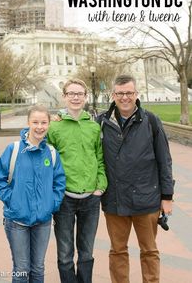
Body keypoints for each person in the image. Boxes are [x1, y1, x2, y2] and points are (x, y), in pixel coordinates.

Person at [97, 74, 174, 283]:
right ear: (113, 95)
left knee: (149, 250)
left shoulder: (151, 121)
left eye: (129, 93)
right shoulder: (101, 122)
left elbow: (164, 160)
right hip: (115, 199)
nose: (124, 97)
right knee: (118, 250)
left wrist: (167, 196)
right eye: (120, 93)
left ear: (136, 94)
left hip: (146, 199)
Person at [0, 105, 65, 283]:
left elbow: (59, 182)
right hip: (17, 220)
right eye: (35, 122)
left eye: (43, 122)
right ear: (28, 123)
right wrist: (13, 201)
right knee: (22, 268)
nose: (39, 127)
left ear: (48, 124)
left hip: (43, 221)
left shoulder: (52, 153)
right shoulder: (14, 149)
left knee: (38, 268)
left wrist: (51, 204)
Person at [48, 78, 108, 283]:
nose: (75, 97)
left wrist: (100, 186)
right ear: (64, 96)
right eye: (71, 93)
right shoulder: (53, 128)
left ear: (85, 97)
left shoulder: (93, 127)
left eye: (79, 94)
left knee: (86, 252)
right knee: (65, 253)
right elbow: (44, 158)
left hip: (91, 198)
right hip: (64, 198)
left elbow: (100, 158)